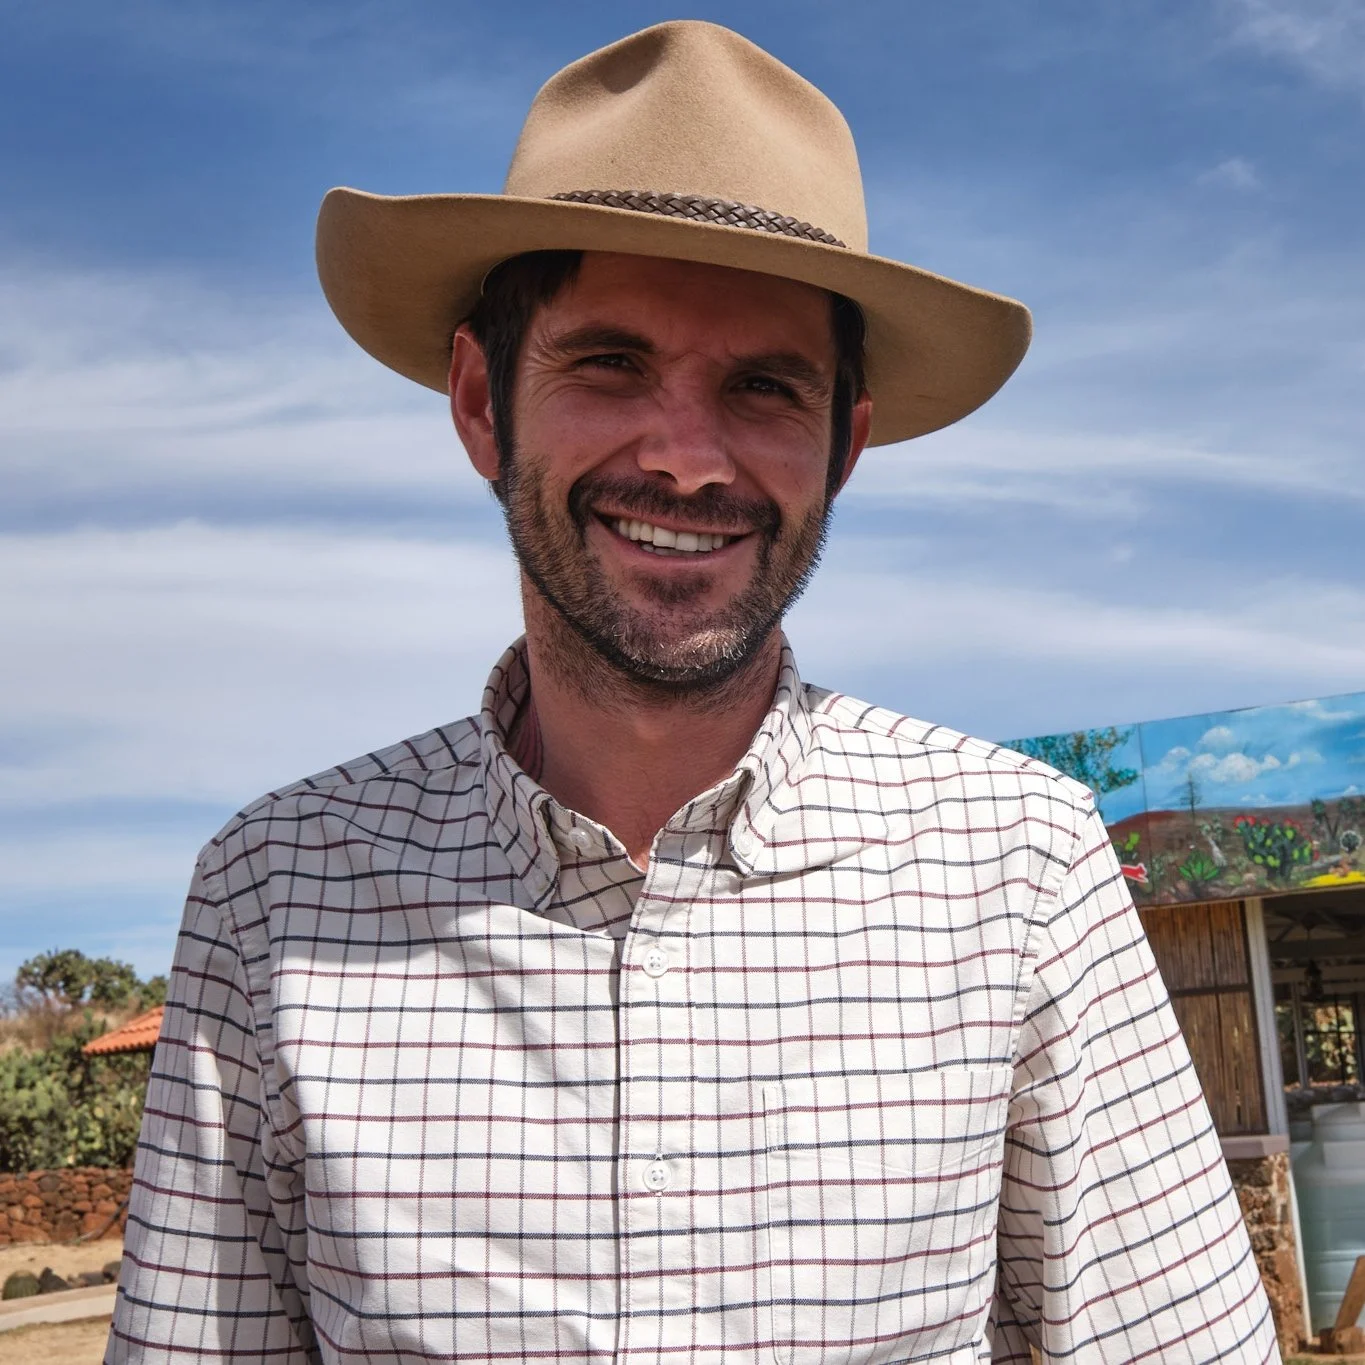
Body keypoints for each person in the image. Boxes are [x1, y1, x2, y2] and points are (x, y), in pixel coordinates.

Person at [108, 21, 1279, 1365]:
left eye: (765, 387)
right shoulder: (275, 896)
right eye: (609, 364)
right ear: (483, 402)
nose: (686, 459)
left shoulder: (1020, 870)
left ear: (844, 445)